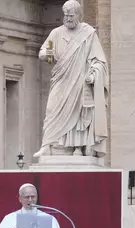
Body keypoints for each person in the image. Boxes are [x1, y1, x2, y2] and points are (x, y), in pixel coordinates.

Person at [33, 0, 109, 158]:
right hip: (61, 79)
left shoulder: (88, 33)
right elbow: (43, 52)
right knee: (51, 110)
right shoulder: (56, 33)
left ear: (78, 15)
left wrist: (94, 73)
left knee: (78, 114)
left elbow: (99, 61)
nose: (68, 18)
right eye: (65, 15)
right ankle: (48, 145)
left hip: (79, 81)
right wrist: (46, 54)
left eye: (71, 15)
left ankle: (77, 148)